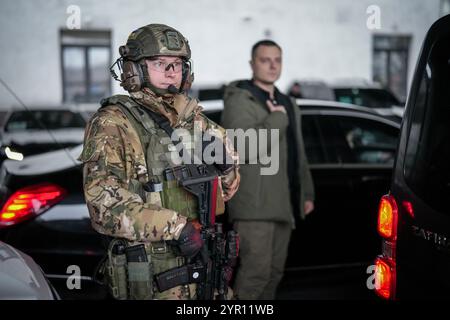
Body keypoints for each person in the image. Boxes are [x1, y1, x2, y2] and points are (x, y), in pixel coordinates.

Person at [78, 24, 240, 300]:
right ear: (134, 71)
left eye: (177, 64)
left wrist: (226, 171)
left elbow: (227, 190)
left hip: (204, 269)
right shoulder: (114, 123)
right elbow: (102, 205)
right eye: (159, 63)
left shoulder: (196, 120)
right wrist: (177, 227)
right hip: (153, 276)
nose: (170, 72)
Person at [221, 40, 315, 300]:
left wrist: (306, 192)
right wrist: (277, 119)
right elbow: (242, 147)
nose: (273, 66)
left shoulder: (287, 102)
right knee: (255, 276)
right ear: (252, 64)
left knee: (274, 274)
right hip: (254, 207)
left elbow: (298, 153)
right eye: (265, 60)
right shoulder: (241, 100)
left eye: (278, 60)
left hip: (283, 204)